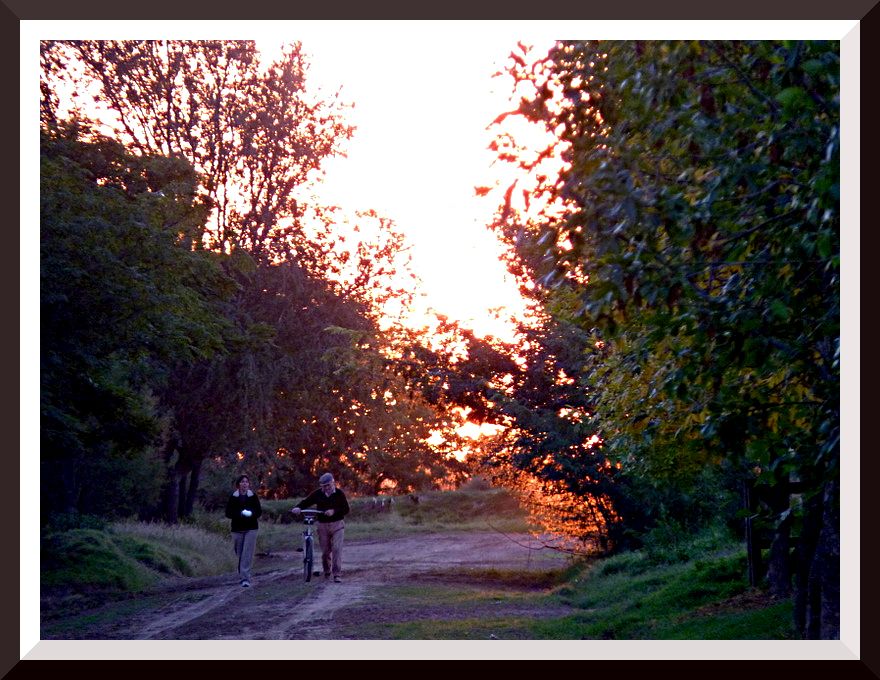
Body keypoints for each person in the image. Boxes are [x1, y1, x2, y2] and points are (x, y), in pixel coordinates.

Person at [290, 472, 350, 582]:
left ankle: (337, 574)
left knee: (337, 548)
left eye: (328, 485)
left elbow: (346, 509)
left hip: (337, 525)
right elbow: (306, 502)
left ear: (333, 483)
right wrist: (298, 508)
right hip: (322, 525)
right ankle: (327, 571)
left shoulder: (339, 494)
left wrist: (334, 511)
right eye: (324, 486)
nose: (326, 488)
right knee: (325, 551)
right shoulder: (317, 494)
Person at [225, 474, 262, 588]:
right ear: (238, 484)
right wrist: (240, 514)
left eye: (246, 482)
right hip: (237, 529)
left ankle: (245, 578)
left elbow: (259, 512)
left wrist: (251, 514)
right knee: (239, 552)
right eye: (242, 482)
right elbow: (228, 513)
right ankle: (241, 573)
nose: (244, 484)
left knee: (247, 553)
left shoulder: (253, 496)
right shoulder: (233, 497)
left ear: (248, 484)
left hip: (251, 528)